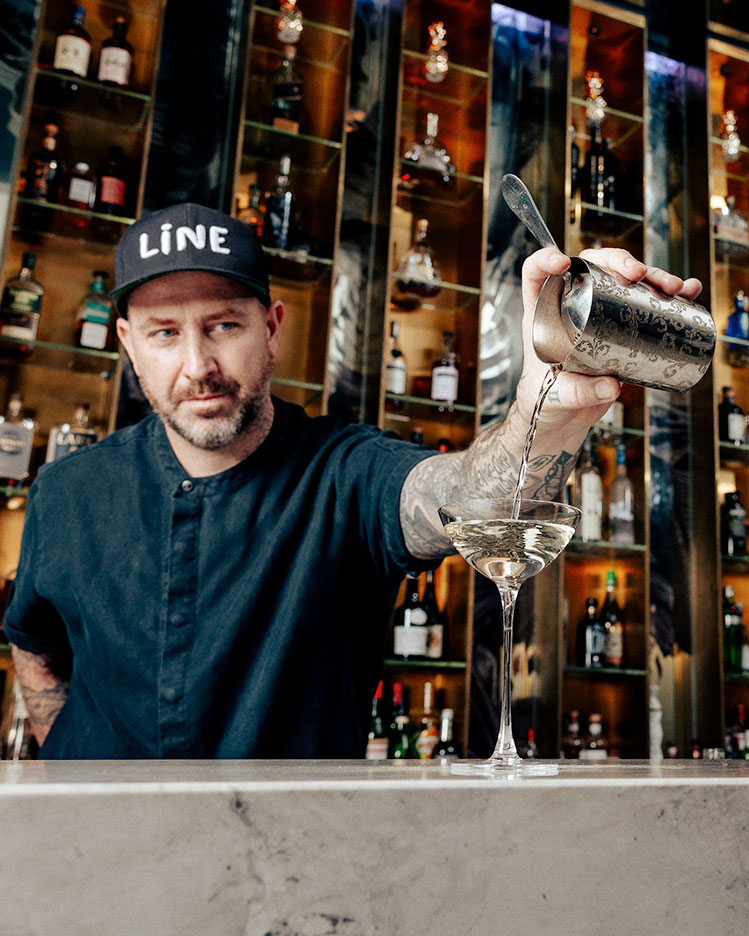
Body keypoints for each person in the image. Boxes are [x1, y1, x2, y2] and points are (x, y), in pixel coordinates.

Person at [3, 203, 702, 759]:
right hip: (93, 860)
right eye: (163, 333)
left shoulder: (346, 473)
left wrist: (547, 400)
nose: (198, 365)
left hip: (293, 875)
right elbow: (34, 643)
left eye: (223, 325)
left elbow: (477, 501)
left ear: (272, 327)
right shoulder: (65, 492)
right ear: (125, 343)